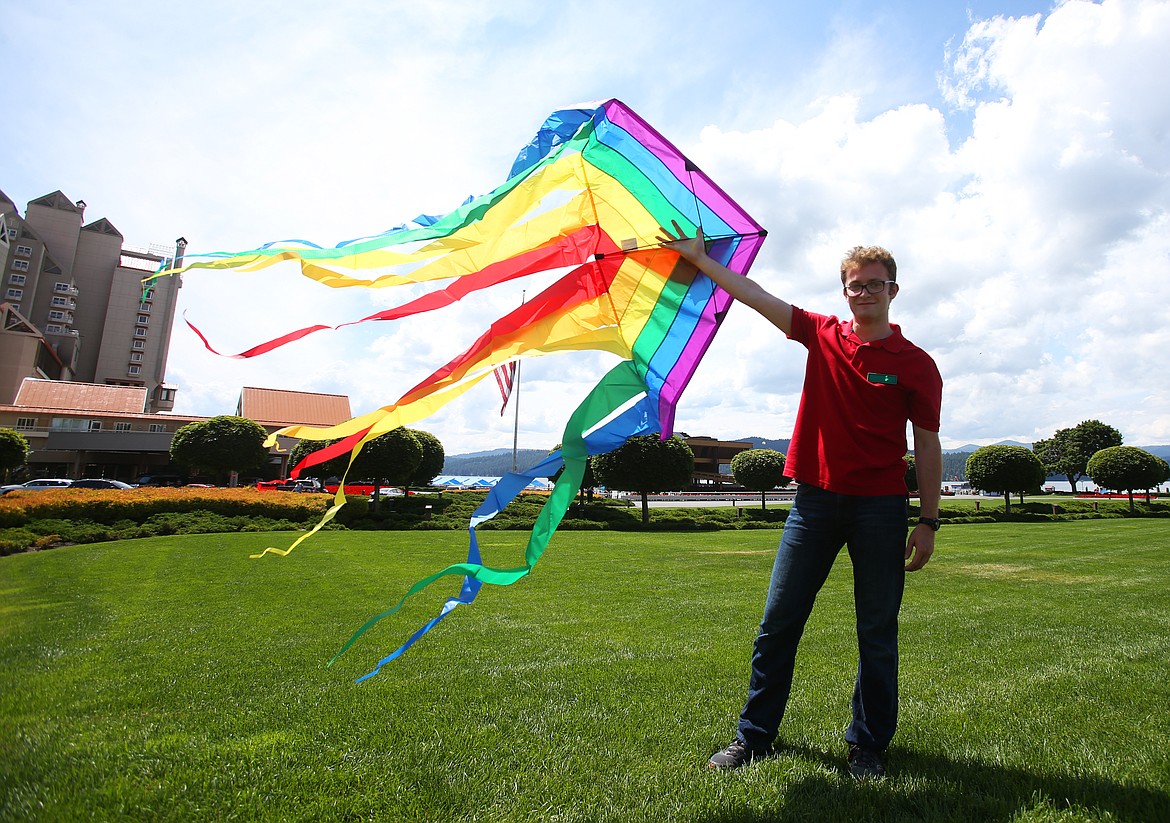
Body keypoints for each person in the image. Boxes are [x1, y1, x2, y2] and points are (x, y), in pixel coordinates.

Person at [657, 221, 943, 779]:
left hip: (881, 507)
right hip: (813, 504)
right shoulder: (821, 333)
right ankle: (755, 736)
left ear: (894, 290)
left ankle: (868, 746)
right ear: (844, 291)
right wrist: (699, 259)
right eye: (855, 285)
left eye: (876, 284)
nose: (865, 293)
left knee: (877, 631)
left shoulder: (917, 364)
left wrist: (928, 519)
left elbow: (927, 445)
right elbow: (755, 296)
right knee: (779, 622)